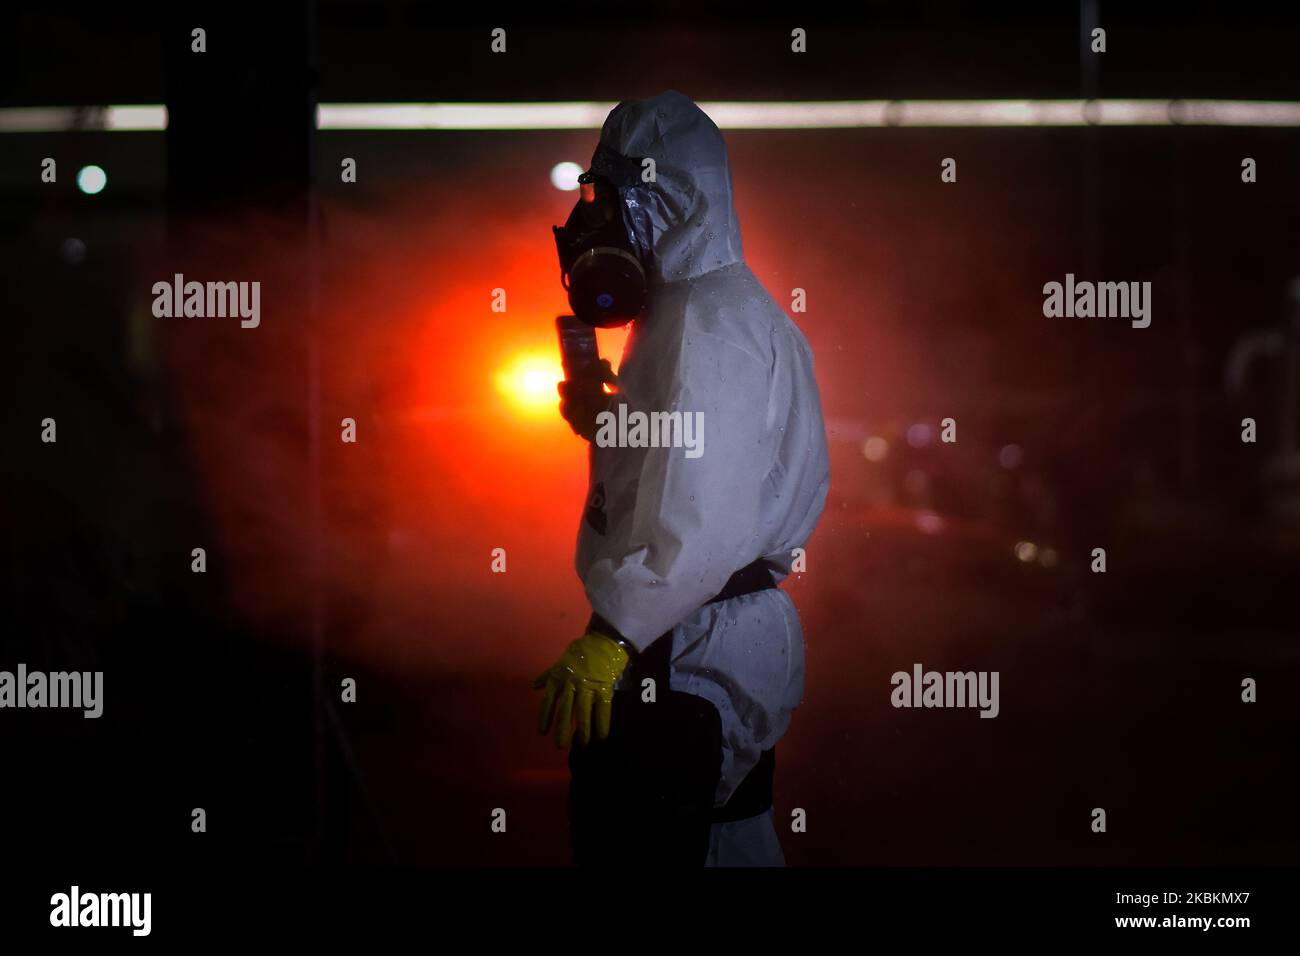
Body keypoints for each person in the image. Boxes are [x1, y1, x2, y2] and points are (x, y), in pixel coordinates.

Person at [534, 90, 830, 866]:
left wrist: (613, 634)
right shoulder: (698, 313)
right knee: (721, 843)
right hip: (700, 635)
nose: (593, 223)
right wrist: (608, 422)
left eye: (609, 197)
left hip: (685, 644)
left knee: (661, 853)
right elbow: (693, 465)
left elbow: (701, 521)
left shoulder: (711, 328)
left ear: (664, 199)